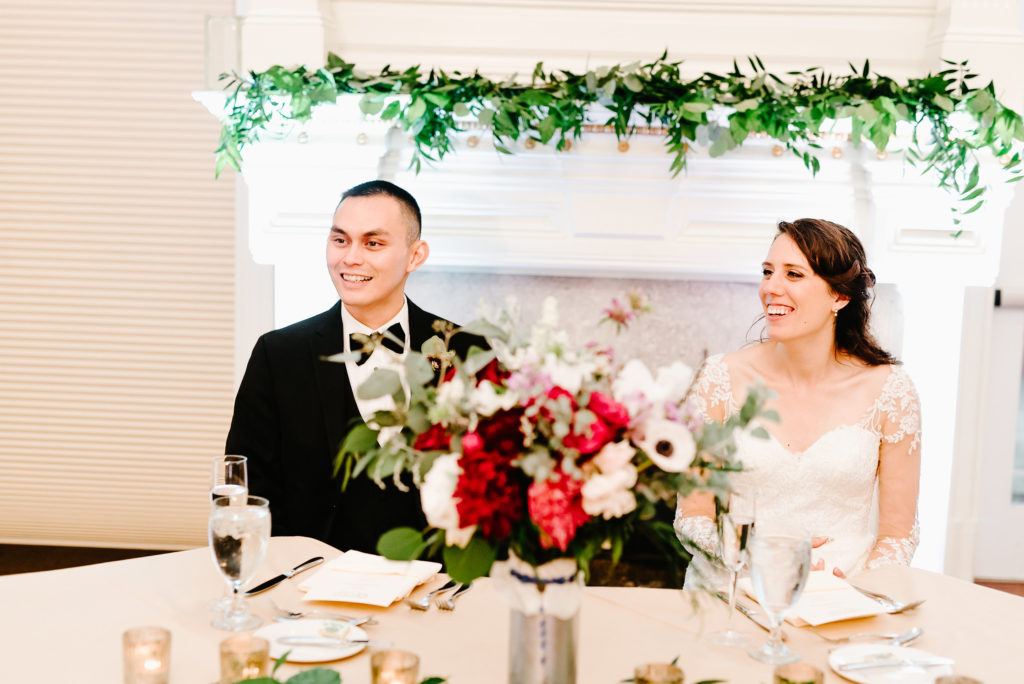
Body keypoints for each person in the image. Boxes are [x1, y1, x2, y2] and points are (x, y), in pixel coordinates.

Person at [226, 180, 480, 553]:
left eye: (373, 243)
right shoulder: (278, 353)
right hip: (312, 576)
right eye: (340, 240)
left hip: (434, 578)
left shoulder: (466, 350)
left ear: (415, 256)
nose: (350, 258)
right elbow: (247, 485)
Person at [674, 218, 921, 588]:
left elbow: (898, 535)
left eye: (793, 275)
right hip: (735, 592)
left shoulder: (891, 391)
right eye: (768, 271)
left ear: (839, 296)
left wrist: (860, 589)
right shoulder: (717, 379)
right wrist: (754, 554)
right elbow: (693, 517)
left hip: (845, 596)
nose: (770, 287)